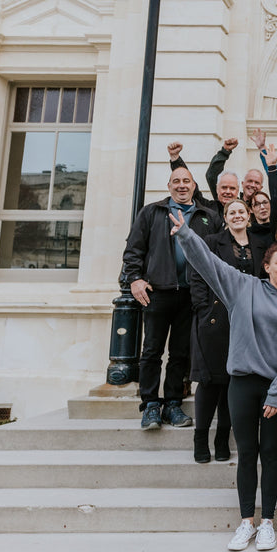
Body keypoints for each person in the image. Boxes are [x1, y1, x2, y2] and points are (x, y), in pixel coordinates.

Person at [169, 211, 277, 552]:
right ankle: (247, 520)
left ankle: (267, 523)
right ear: (267, 266)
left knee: (270, 456)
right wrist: (186, 234)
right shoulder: (243, 288)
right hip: (243, 385)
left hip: (275, 390)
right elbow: (210, 264)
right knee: (247, 453)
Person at [122, 167, 218, 430]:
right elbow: (134, 249)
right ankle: (151, 404)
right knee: (152, 351)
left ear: (194, 186)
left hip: (191, 295)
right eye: (176, 181)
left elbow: (216, 257)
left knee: (180, 353)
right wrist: (134, 279)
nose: (182, 185)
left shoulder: (207, 216)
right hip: (157, 292)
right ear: (169, 186)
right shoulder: (152, 212)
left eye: (186, 181)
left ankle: (173, 404)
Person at [188, 199, 267, 463]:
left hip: (245, 322)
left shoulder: (259, 244)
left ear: (249, 216)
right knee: (210, 381)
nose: (237, 216)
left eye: (241, 212)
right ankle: (201, 439)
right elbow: (197, 272)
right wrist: (202, 308)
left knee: (233, 381)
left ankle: (222, 438)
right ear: (225, 216)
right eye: (231, 212)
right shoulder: (212, 242)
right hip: (214, 319)